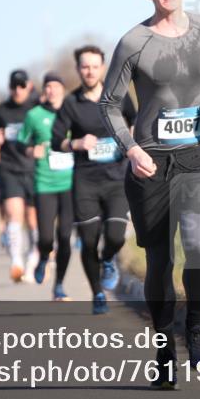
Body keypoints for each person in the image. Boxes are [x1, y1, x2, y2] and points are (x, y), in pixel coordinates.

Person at [99, 0, 200, 389]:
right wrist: (131, 149)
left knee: (198, 243)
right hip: (150, 164)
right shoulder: (133, 42)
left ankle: (195, 327)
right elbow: (108, 104)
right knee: (160, 260)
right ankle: (162, 347)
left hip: (198, 155)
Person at [52, 45, 137, 314]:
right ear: (78, 69)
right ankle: (98, 293)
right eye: (84, 66)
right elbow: (56, 141)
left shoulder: (118, 95)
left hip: (116, 178)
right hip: (86, 181)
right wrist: (76, 142)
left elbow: (135, 122)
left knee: (115, 235)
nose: (89, 71)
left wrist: (129, 142)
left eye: (94, 66)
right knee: (88, 241)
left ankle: (109, 258)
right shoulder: (70, 103)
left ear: (103, 68)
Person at [18, 72, 74, 300]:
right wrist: (33, 151)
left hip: (71, 183)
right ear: (44, 90)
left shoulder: (72, 111)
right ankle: (43, 258)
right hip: (44, 183)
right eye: (47, 86)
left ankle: (59, 285)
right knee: (45, 237)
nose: (51, 90)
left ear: (62, 89)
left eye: (55, 85)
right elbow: (22, 143)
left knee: (65, 236)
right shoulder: (33, 115)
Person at [0, 69, 41, 282]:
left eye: (21, 85)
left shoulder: (36, 108)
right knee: (14, 213)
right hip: (9, 167)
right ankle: (16, 261)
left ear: (28, 86)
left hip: (34, 168)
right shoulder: (2, 110)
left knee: (33, 219)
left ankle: (33, 259)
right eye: (14, 86)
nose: (17, 90)